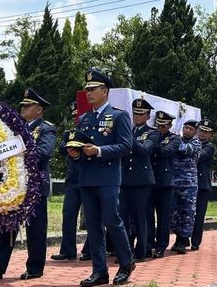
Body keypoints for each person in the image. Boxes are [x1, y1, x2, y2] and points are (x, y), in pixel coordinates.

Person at [0, 88, 56, 280]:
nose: (23, 108)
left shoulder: (46, 128)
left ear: (40, 110)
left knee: (36, 229)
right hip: (11, 186)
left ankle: (35, 268)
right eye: (23, 105)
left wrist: (18, 151)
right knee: (6, 228)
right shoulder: (11, 129)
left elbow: (44, 153)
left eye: (28, 105)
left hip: (34, 187)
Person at [72, 69, 135, 286]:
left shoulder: (119, 116)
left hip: (108, 177)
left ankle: (127, 263)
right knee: (93, 225)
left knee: (112, 221)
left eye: (93, 89)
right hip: (87, 178)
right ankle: (100, 271)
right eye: (87, 90)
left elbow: (126, 145)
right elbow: (79, 144)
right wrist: (75, 151)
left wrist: (98, 150)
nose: (88, 93)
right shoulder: (84, 118)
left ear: (105, 91)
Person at [120, 98, 159, 262]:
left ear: (148, 115)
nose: (137, 116)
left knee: (139, 216)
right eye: (135, 113)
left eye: (141, 113)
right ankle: (125, 250)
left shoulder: (152, 132)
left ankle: (141, 250)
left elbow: (144, 150)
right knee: (123, 216)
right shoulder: (130, 131)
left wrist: (128, 138)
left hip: (141, 180)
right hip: (125, 179)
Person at [51, 102, 91, 262]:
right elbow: (61, 149)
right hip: (73, 181)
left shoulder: (92, 132)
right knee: (68, 215)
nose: (76, 118)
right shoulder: (69, 133)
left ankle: (90, 249)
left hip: (89, 179)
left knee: (92, 218)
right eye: (74, 116)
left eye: (78, 116)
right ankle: (67, 250)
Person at [148, 111, 181, 258]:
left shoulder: (174, 138)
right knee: (148, 215)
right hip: (149, 179)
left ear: (170, 125)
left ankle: (161, 245)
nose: (160, 127)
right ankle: (149, 243)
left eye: (164, 125)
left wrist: (151, 145)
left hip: (165, 182)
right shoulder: (151, 135)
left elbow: (165, 152)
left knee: (163, 216)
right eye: (159, 124)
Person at [170, 120, 201, 254]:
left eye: (190, 129)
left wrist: (174, 140)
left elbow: (183, 149)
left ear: (195, 132)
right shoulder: (177, 140)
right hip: (175, 183)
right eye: (185, 128)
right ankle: (179, 237)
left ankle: (183, 239)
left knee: (187, 213)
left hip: (189, 184)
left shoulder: (196, 143)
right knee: (175, 213)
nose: (187, 131)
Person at [191, 118, 216, 250]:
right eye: (201, 130)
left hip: (201, 185)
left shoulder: (209, 147)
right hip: (188, 183)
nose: (202, 134)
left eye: (206, 132)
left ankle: (195, 242)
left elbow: (199, 156)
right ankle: (182, 239)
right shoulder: (191, 142)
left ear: (211, 134)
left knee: (199, 215)